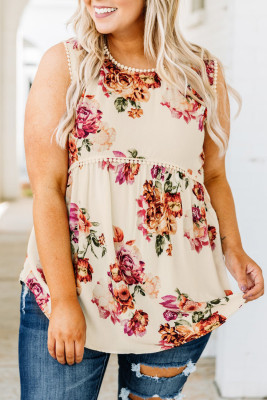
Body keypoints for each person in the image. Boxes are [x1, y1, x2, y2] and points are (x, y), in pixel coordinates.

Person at [18, 1, 264, 399]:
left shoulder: (203, 74)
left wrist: (234, 249)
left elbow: (213, 176)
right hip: (73, 296)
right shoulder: (65, 63)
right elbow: (46, 188)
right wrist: (63, 301)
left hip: (175, 302)